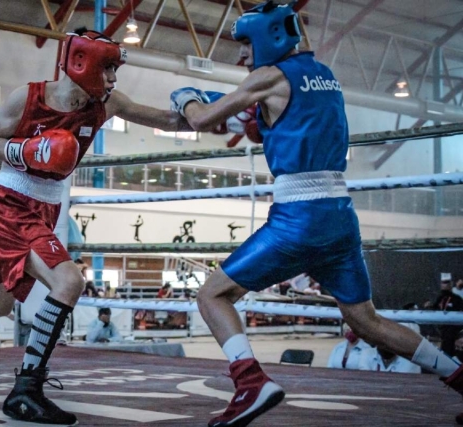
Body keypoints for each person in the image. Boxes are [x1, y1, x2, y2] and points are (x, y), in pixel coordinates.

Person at [171, 3, 463, 426]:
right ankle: (458, 377)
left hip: (299, 215)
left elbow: (199, 120)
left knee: (212, 295)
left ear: (270, 37)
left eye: (247, 44)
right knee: (366, 320)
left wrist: (186, 97)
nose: (242, 55)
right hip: (340, 215)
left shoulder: (268, 77)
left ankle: (249, 381)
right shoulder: (323, 74)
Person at [0, 27, 190, 426]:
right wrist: (27, 150)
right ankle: (26, 389)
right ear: (82, 65)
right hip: (10, 203)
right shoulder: (28, 97)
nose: (114, 80)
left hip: (45, 208)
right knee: (68, 282)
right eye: (109, 69)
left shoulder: (107, 102)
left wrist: (213, 110)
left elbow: (167, 120)